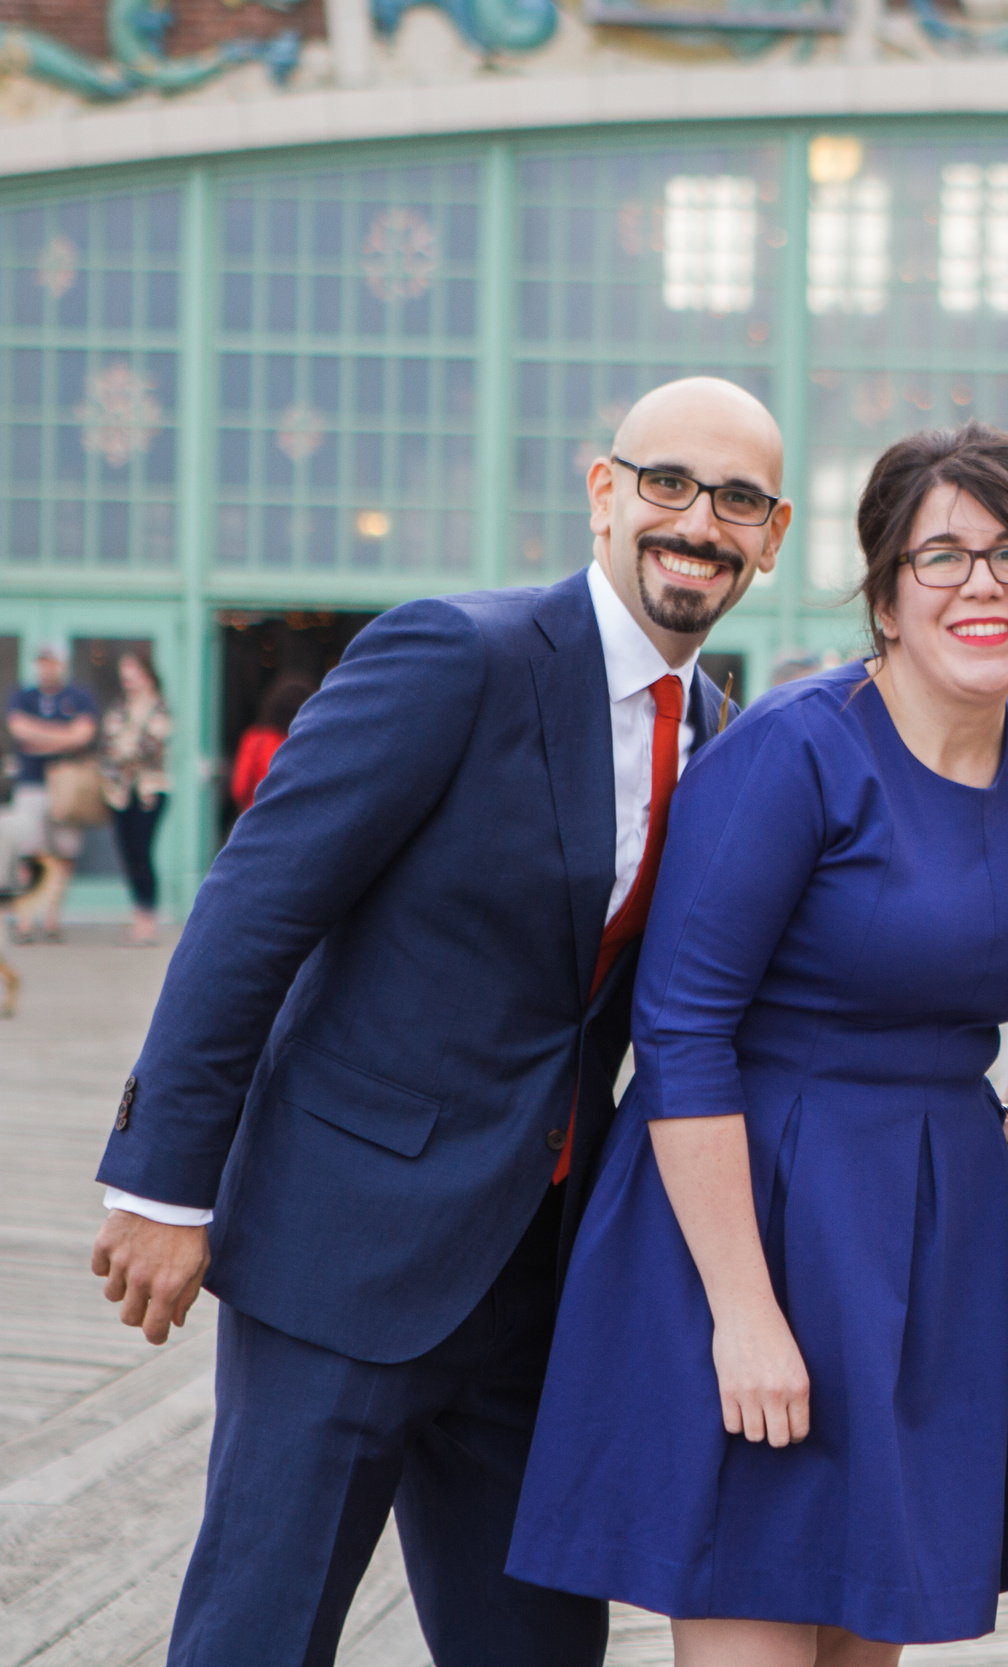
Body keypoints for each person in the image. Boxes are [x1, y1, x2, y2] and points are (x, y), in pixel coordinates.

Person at [89, 376, 781, 1667]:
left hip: (541, 1287)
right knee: (260, 1631)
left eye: (738, 499)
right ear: (603, 490)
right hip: (341, 1253)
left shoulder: (727, 742)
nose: (700, 520)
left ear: (773, 535)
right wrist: (161, 1182)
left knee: (535, 1645)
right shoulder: (456, 654)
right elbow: (255, 905)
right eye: (669, 483)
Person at [508, 422, 1008, 1664]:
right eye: (942, 555)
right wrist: (744, 1313)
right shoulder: (794, 750)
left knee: (864, 1630)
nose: (982, 584)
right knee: (756, 1626)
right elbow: (681, 1031)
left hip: (927, 1224)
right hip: (751, 1206)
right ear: (882, 591)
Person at [7, 641, 99, 944]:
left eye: (52, 661)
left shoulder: (79, 697)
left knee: (64, 852)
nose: (47, 668)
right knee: (29, 852)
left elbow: (83, 736)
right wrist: (63, 736)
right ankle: (24, 920)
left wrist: (42, 739)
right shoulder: (23, 696)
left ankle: (51, 918)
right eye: (42, 662)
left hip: (67, 786)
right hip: (31, 785)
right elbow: (19, 729)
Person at [100, 650, 177, 946]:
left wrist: (124, 750)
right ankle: (137, 914)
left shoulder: (160, 708)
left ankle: (149, 918)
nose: (128, 680)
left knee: (143, 853)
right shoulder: (120, 707)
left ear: (146, 674)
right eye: (125, 675)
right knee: (128, 854)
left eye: (133, 673)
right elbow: (107, 745)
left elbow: (148, 747)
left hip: (150, 792)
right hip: (120, 793)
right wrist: (122, 751)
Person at [230, 677, 313, 814]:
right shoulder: (306, 743)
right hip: (298, 820)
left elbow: (239, 789)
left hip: (259, 818)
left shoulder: (255, 739)